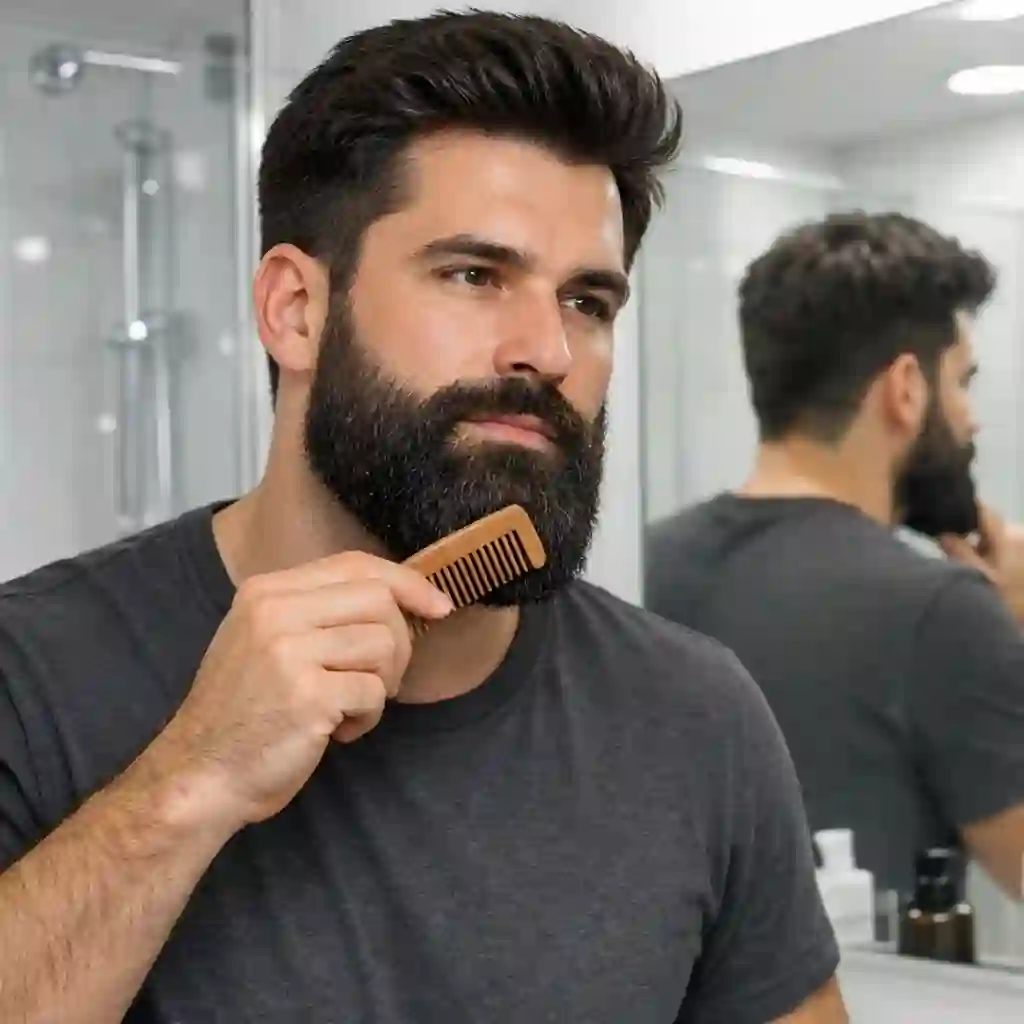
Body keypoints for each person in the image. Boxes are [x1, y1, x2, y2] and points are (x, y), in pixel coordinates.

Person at [0, 12, 846, 1024]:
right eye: (474, 275)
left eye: (587, 300)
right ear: (296, 309)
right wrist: (190, 781)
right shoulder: (32, 673)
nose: (548, 350)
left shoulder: (696, 716)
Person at [647, 211, 1024, 904]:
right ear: (905, 388)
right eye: (962, 382)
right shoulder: (942, 611)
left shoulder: (642, 566)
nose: (970, 418)